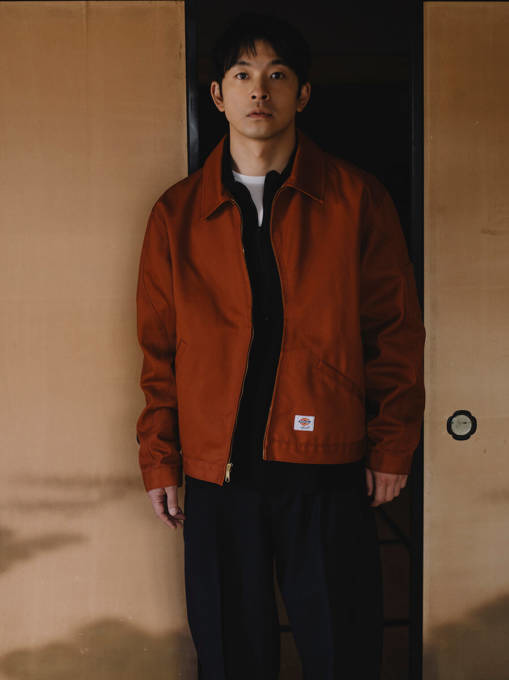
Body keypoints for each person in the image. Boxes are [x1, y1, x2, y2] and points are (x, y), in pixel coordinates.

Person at [135, 11, 425, 680]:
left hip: (325, 467)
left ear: (303, 93)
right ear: (217, 95)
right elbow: (159, 350)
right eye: (242, 75)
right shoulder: (176, 214)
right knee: (230, 657)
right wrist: (160, 457)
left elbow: (394, 332)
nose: (259, 90)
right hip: (217, 476)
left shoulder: (357, 199)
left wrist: (391, 445)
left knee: (343, 654)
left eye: (277, 75)